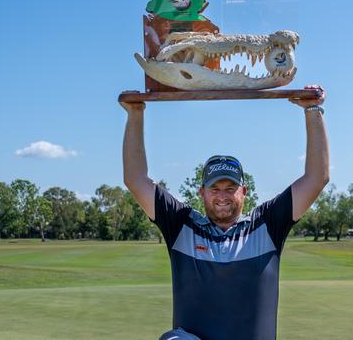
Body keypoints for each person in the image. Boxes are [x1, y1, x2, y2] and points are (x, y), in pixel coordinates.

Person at [121, 85, 329, 340]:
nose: (222, 196)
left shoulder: (267, 224)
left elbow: (317, 178)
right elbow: (135, 179)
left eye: (230, 188)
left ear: (244, 191)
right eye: (214, 188)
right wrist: (135, 113)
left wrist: (313, 109)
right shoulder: (181, 225)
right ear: (202, 192)